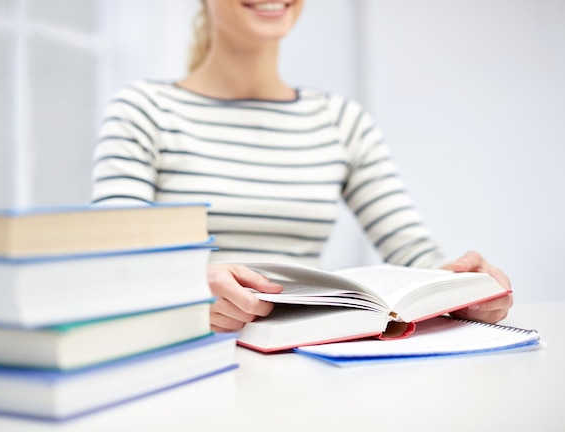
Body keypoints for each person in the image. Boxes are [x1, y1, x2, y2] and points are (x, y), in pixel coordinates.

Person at [91, 0, 513, 332]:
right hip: (185, 355)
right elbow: (115, 259)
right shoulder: (143, 111)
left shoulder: (340, 120)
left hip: (305, 352)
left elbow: (413, 252)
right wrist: (186, 286)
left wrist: (463, 286)